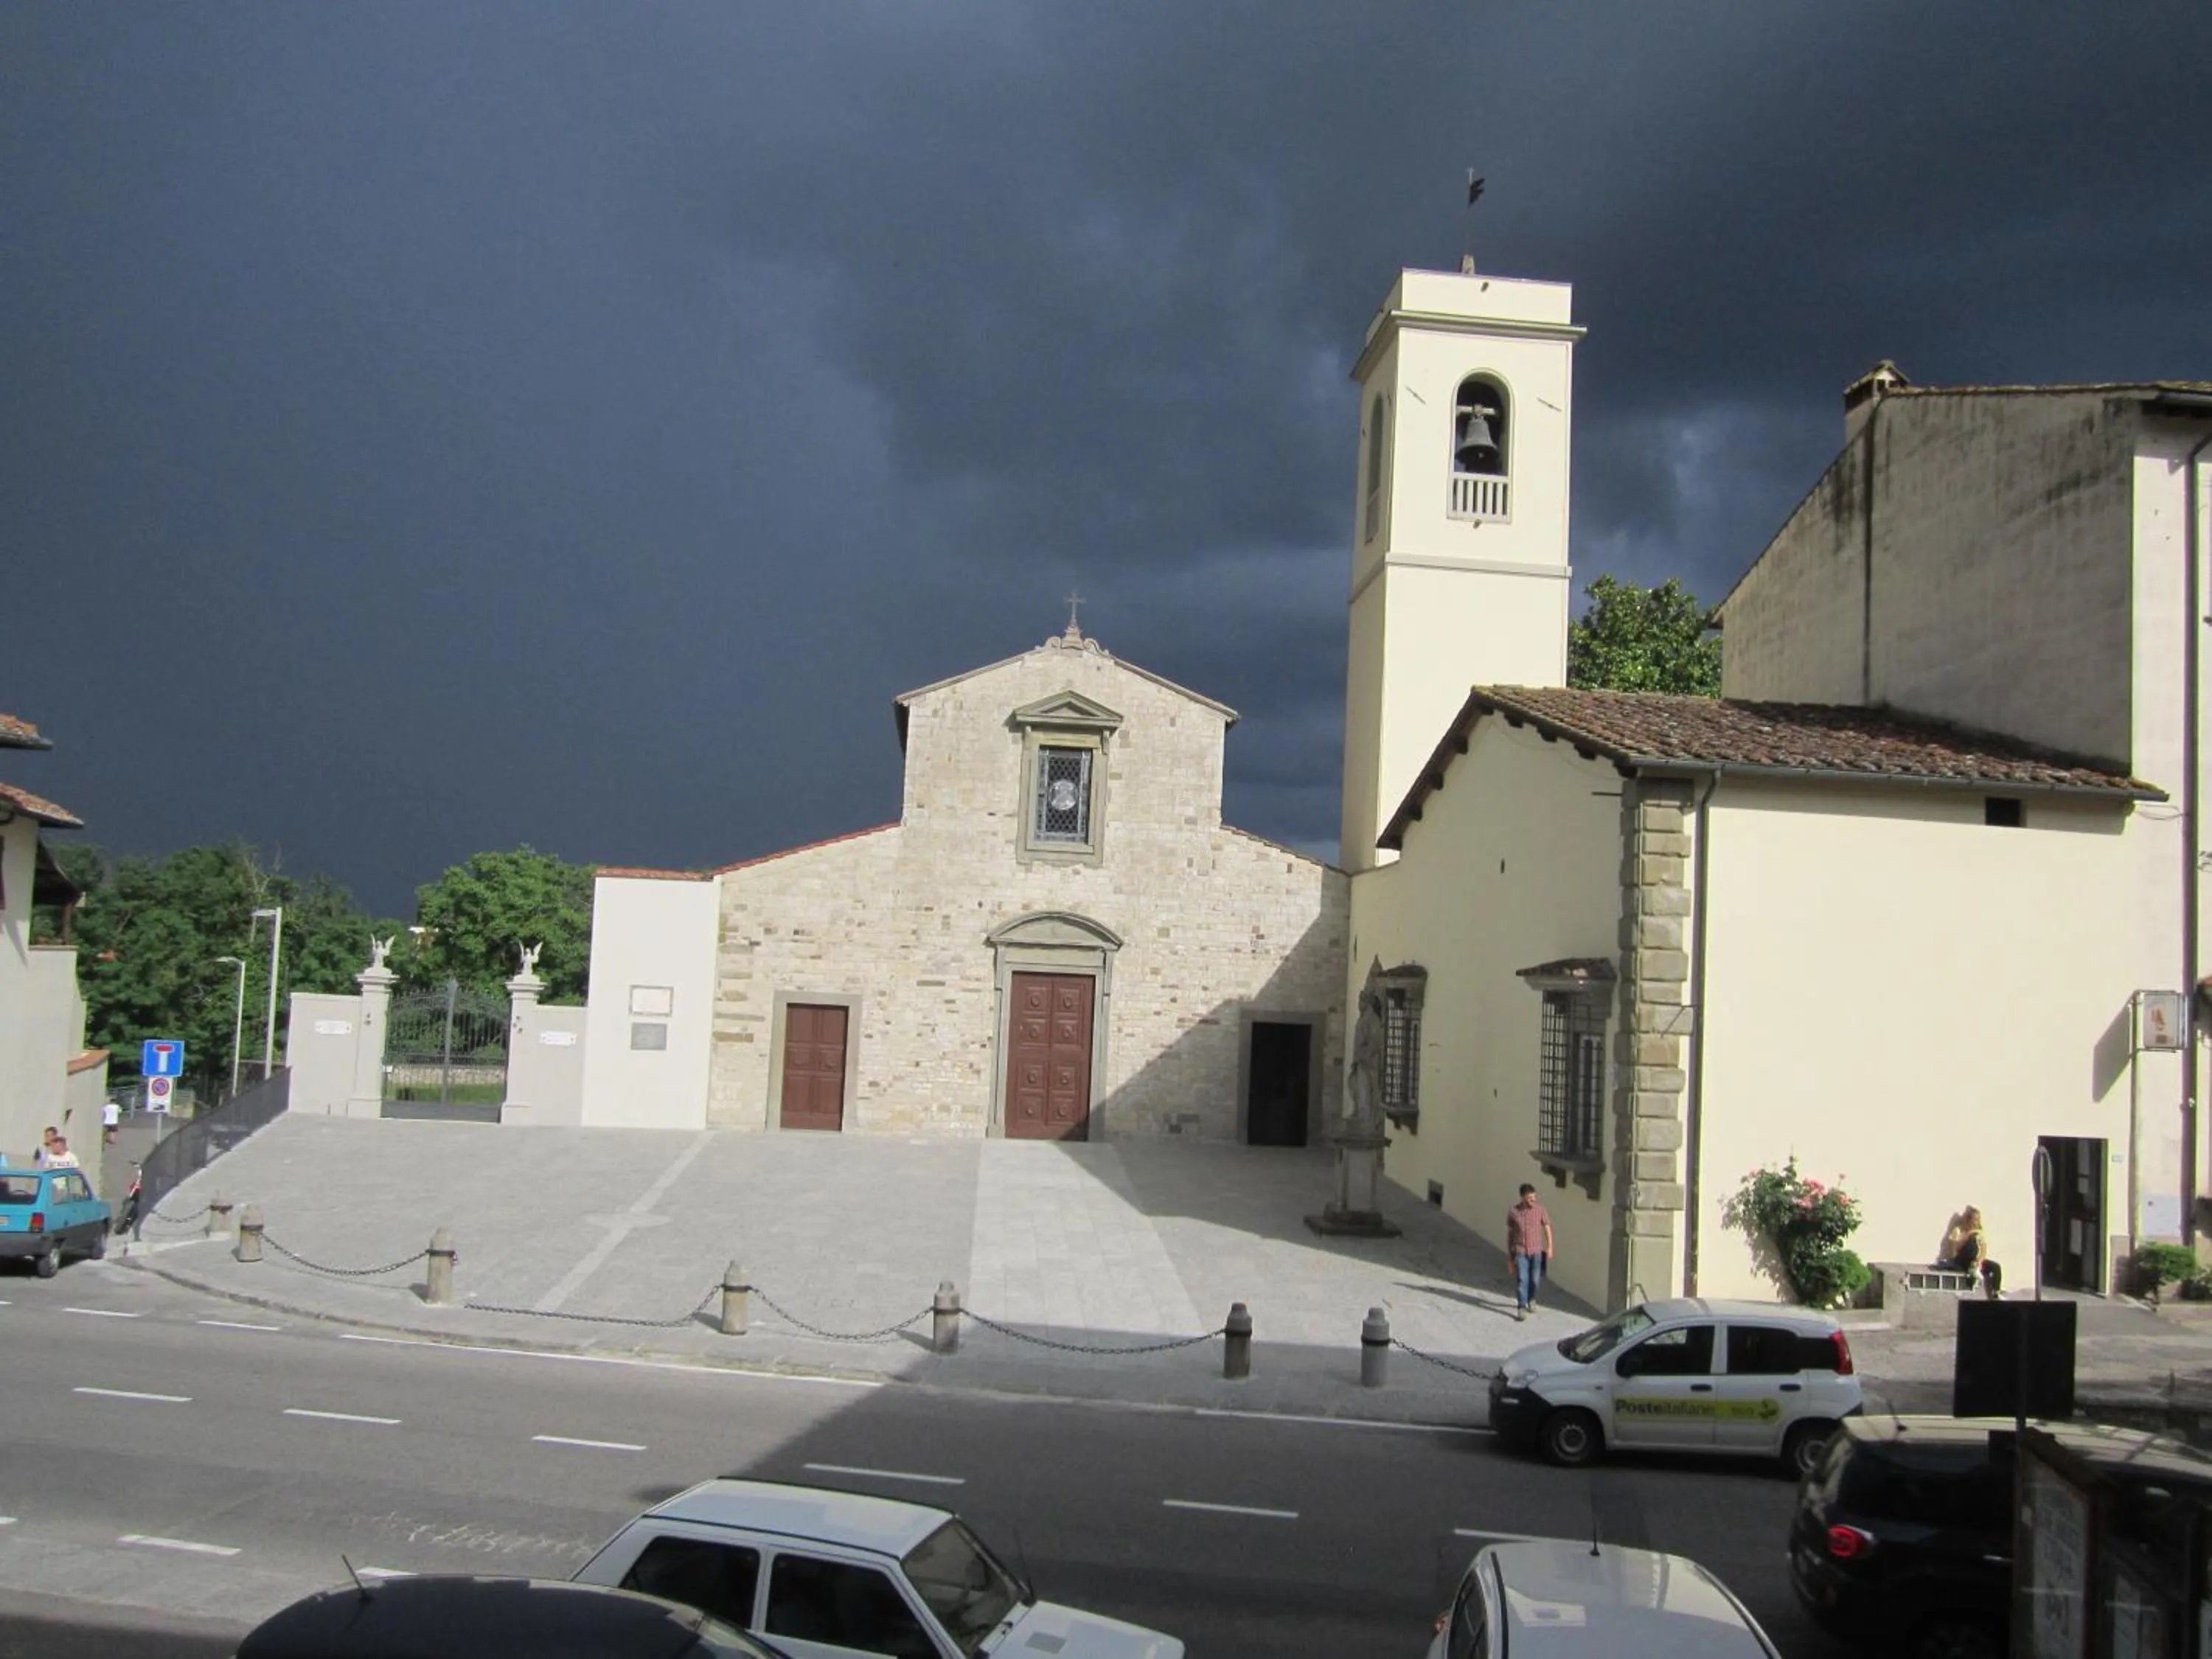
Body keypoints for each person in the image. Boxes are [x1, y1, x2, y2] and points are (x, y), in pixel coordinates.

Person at [1506, 1183, 1554, 1321]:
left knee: (1534, 1280)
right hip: (1520, 1251)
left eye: (1534, 1197)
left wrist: (1550, 1246)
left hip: (1536, 1251)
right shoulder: (1514, 1212)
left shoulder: (1540, 1211)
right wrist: (1510, 1258)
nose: (1533, 1200)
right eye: (1530, 1198)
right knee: (1522, 1279)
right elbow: (1510, 1235)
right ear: (1522, 1197)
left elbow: (1547, 1228)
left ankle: (1531, 1299)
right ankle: (1521, 1307)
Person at [1941, 1206, 2003, 1298]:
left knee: (1996, 1267)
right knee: (1972, 1242)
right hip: (1962, 1260)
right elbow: (1953, 1251)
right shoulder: (1958, 1231)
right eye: (1974, 1219)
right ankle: (1972, 1270)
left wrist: (1979, 1262)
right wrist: (1967, 1237)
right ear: (1968, 1219)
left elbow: (1983, 1251)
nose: (1975, 1222)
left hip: (1976, 1262)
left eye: (1978, 1219)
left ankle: (1996, 1293)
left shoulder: (1980, 1232)